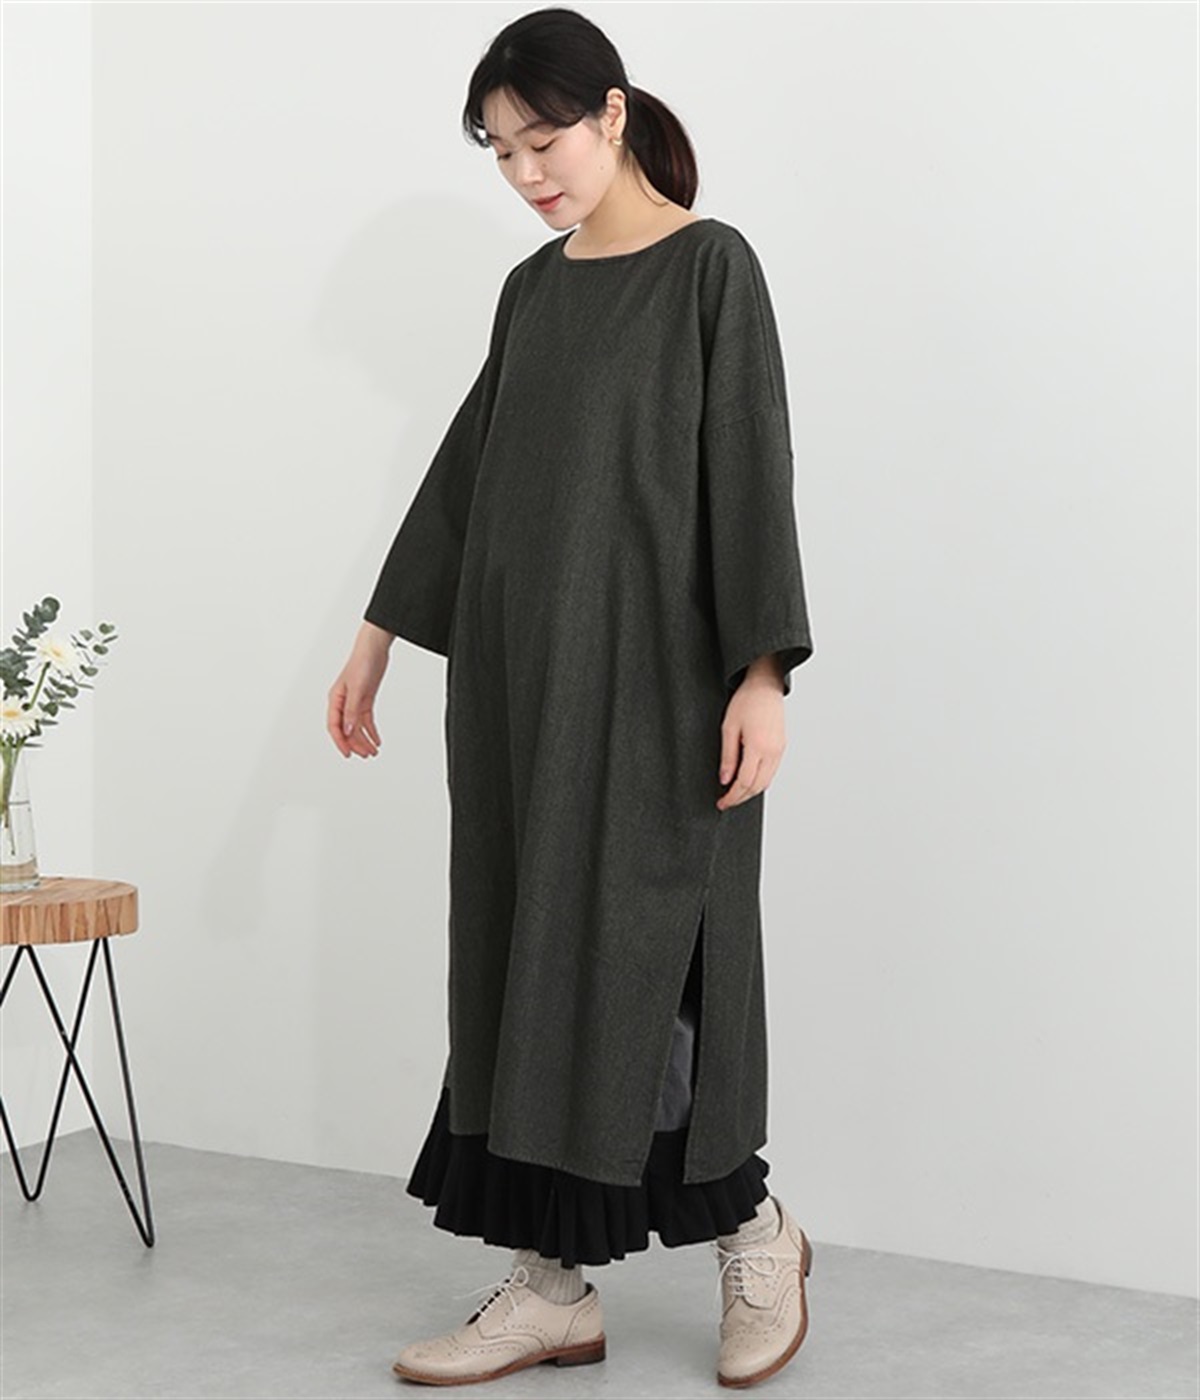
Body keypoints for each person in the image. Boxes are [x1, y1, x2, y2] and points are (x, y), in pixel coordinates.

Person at [326, 7, 815, 1389]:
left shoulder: (712, 268)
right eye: (499, 152)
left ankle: (758, 1235)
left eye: (542, 139)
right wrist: (376, 634)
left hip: (662, 696)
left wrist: (763, 672)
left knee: (664, 969)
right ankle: (554, 1287)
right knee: (525, 959)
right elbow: (469, 470)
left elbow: (752, 470)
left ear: (611, 112)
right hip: (519, 691)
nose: (526, 172)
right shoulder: (533, 290)